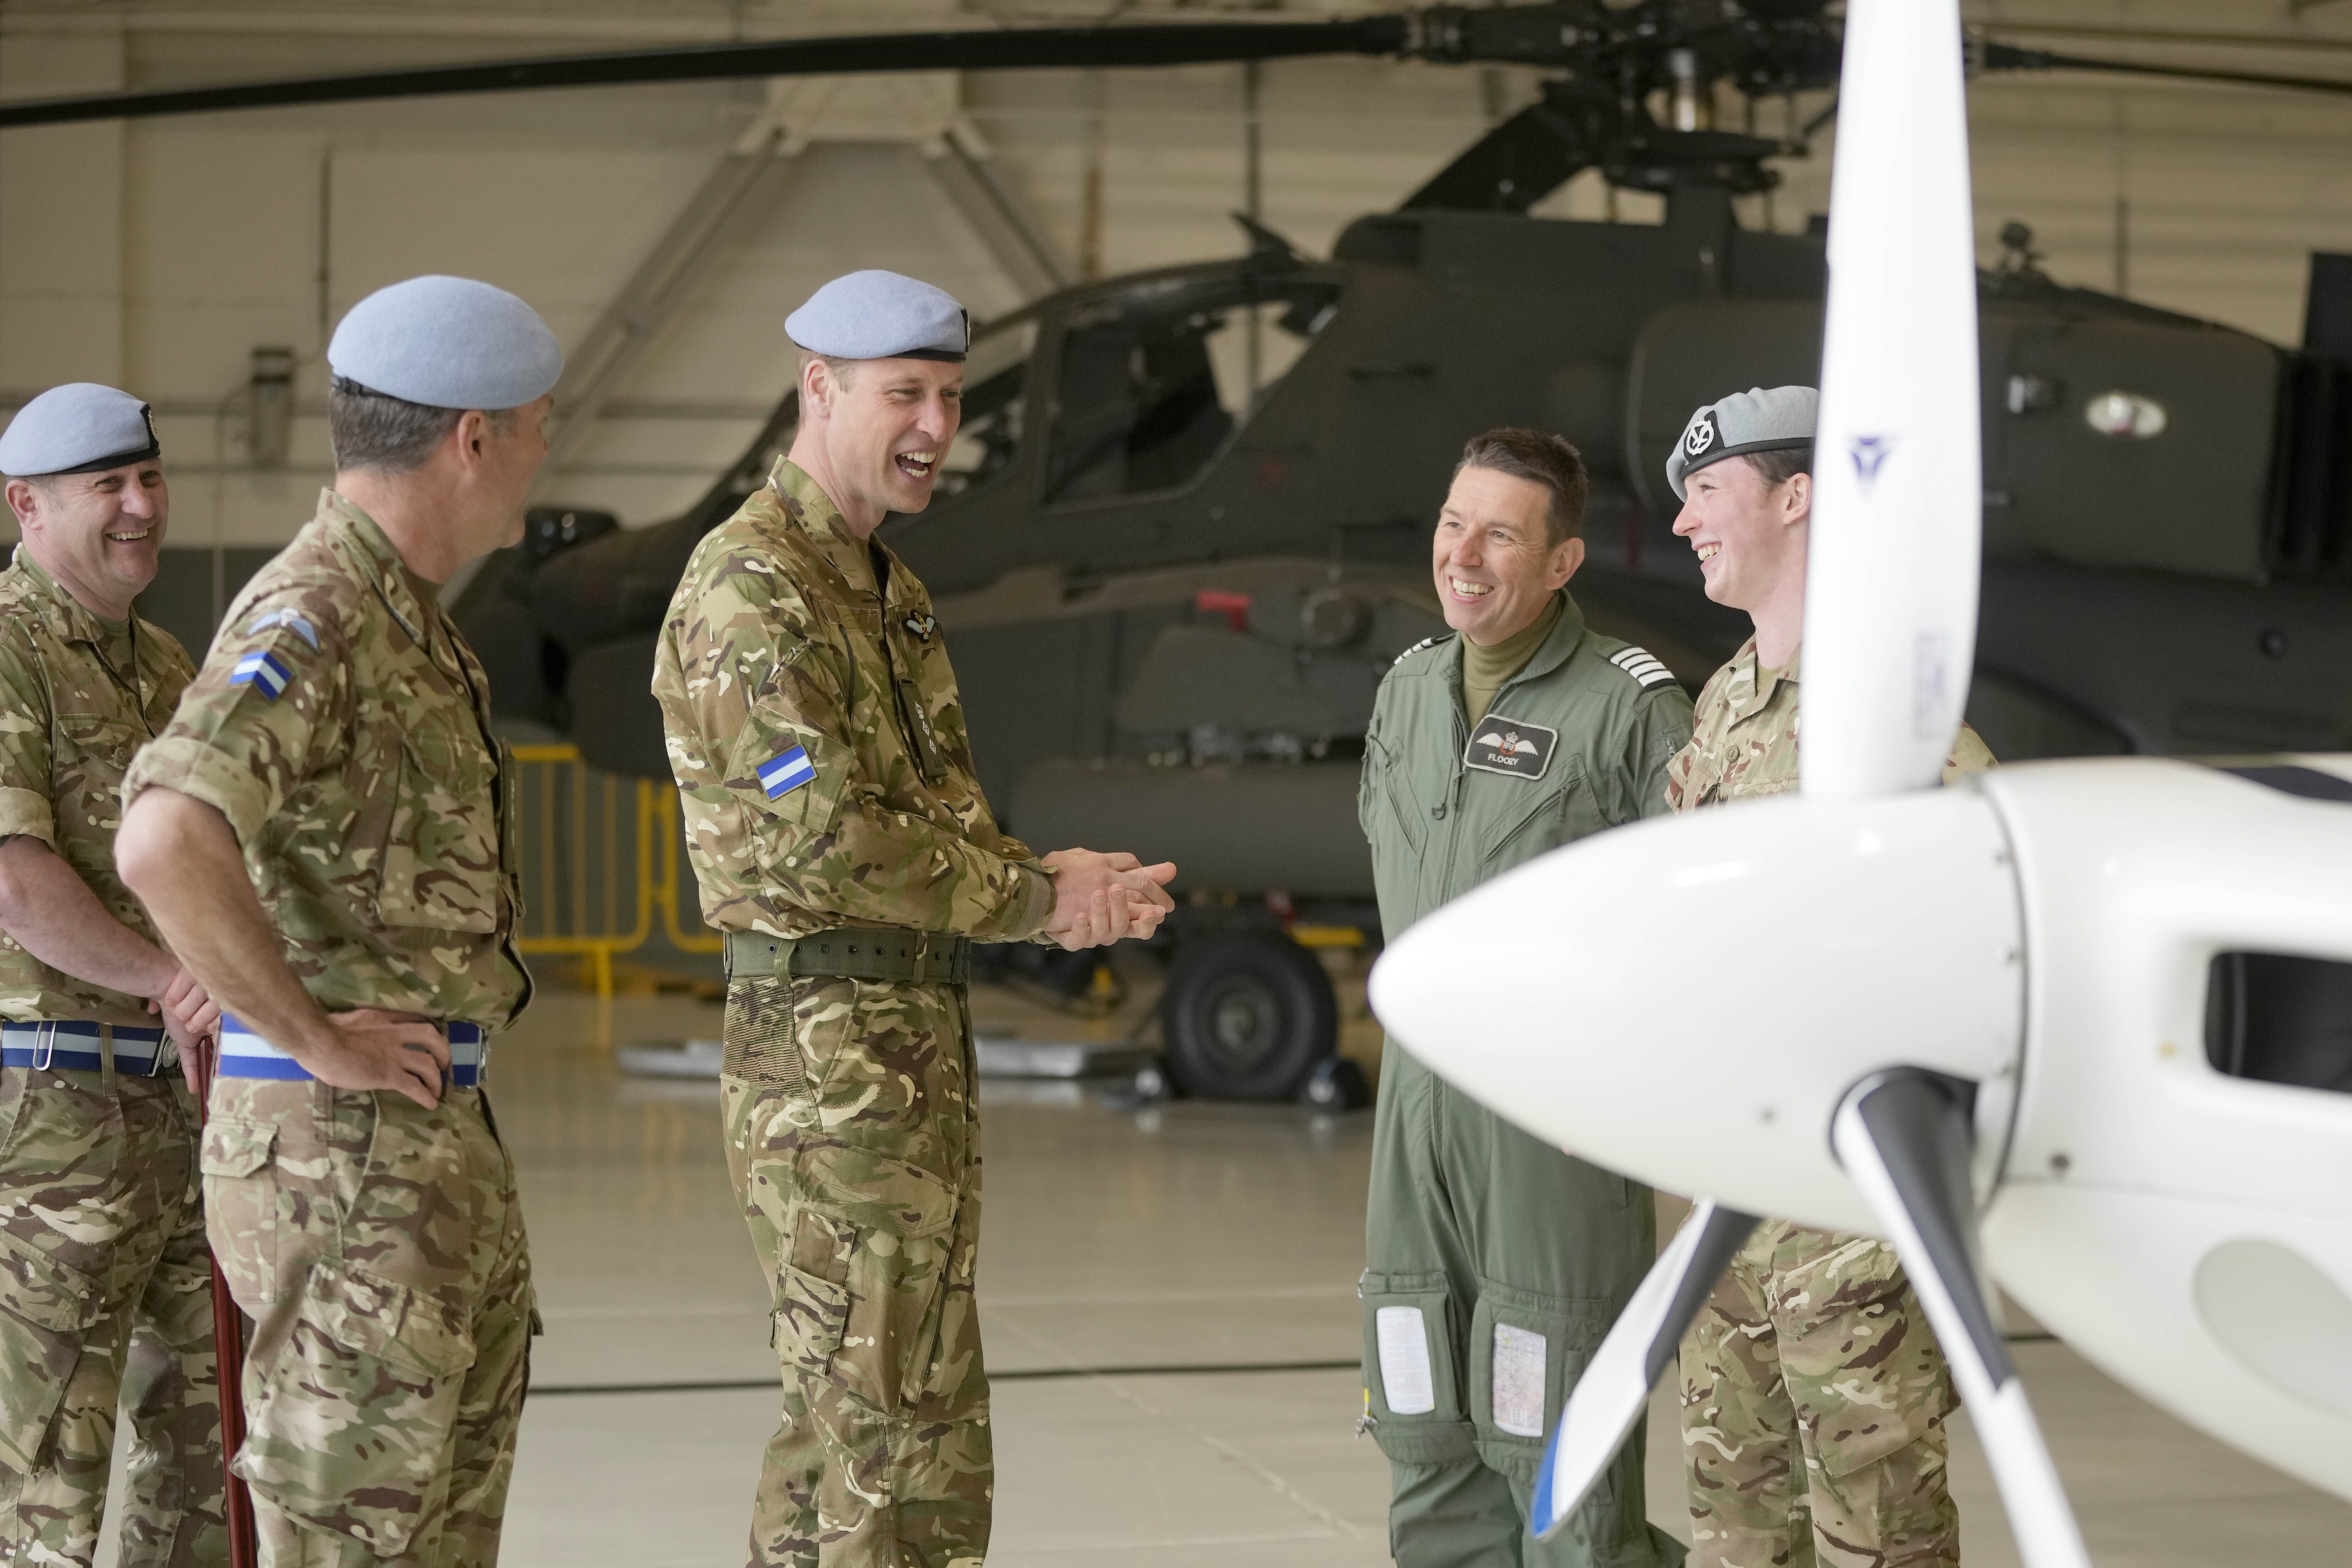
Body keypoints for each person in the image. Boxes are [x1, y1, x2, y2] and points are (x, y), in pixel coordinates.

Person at [653, 269, 1175, 1566]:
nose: (936, 425)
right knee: (872, 1440)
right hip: (826, 1064)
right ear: (818, 388)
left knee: (919, 1436)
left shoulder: (883, 587)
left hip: (904, 1045)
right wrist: (1036, 898)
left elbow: (923, 815)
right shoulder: (753, 591)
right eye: (906, 395)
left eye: (948, 395)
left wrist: (1047, 878)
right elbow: (827, 838)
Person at [114, 275, 560, 1567]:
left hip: (422, 1138)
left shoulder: (408, 617)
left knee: (432, 1528)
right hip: (347, 1154)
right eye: (536, 427)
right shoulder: (318, 611)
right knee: (351, 1532)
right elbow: (163, 834)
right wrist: (313, 1035)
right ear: (471, 437)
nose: (542, 458)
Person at [1663, 385, 1990, 1568]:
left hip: (1852, 1230)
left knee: (1879, 1543)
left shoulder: (1892, 719)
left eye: (1707, 492)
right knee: (1738, 1536)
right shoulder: (1725, 703)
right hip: (1731, 1216)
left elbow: (1981, 936)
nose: (1689, 521)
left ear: (1796, 495)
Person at [1358, 428, 1695, 1568]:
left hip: (1549, 1118)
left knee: (1553, 1423)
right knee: (1422, 1402)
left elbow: (1693, 929)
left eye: (1502, 533)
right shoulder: (1405, 692)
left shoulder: (1628, 708)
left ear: (1562, 563)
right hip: (1416, 1111)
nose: (1466, 553)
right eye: (1456, 523)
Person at [0, 384, 224, 1567]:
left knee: (208, 1431)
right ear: (26, 507)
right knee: (49, 1466)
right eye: (108, 487)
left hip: (178, 1112)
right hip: (54, 1121)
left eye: (149, 478)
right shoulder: (7, 648)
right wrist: (174, 977)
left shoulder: (164, 660)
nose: (142, 507)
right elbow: (16, 882)